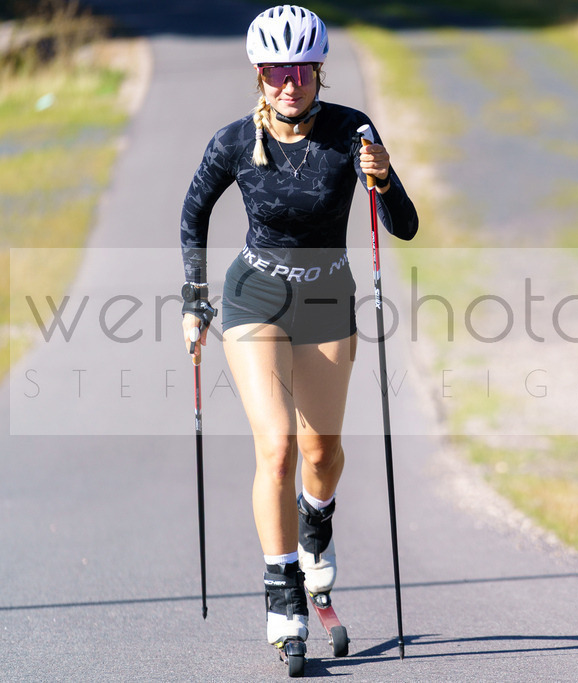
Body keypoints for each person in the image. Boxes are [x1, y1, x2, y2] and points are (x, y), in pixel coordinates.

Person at [179, 4, 418, 650]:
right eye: (277, 69)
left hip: (326, 300)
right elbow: (194, 210)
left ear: (320, 71)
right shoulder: (235, 141)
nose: (291, 81)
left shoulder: (352, 133)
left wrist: (386, 179)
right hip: (254, 295)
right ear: (259, 75)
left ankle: (318, 521)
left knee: (321, 453)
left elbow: (405, 225)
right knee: (278, 447)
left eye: (303, 69)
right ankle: (283, 592)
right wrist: (194, 297)